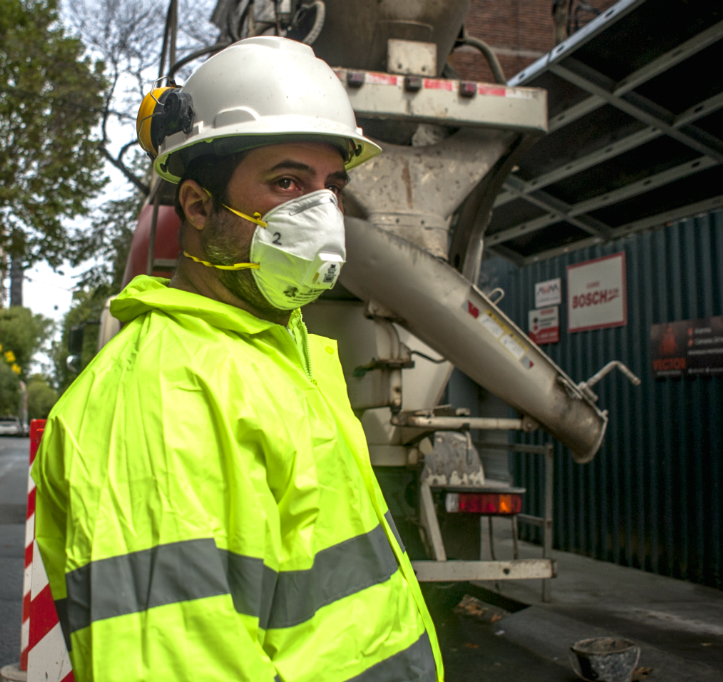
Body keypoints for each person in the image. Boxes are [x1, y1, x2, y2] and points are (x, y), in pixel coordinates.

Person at [32, 36, 442, 682]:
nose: (321, 213)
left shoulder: (277, 355)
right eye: (286, 181)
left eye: (329, 186)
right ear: (197, 205)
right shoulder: (158, 400)